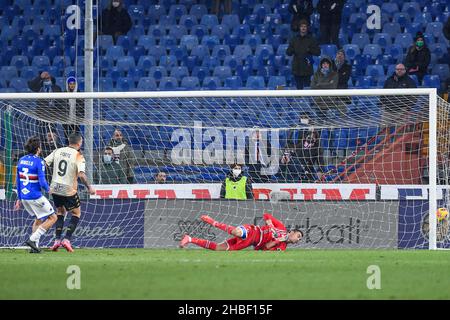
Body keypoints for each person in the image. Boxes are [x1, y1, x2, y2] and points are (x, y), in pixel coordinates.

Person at [45, 132, 95, 252]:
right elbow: (82, 175)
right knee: (76, 213)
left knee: (60, 212)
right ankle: (66, 239)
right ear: (79, 143)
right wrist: (89, 188)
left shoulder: (57, 151)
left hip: (55, 187)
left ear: (69, 141)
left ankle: (57, 240)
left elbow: (44, 163)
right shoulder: (78, 155)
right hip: (68, 189)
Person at [14, 136, 57, 253]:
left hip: (24, 197)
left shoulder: (21, 160)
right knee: (53, 217)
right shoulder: (39, 161)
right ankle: (33, 239)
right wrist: (49, 189)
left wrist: (19, 198)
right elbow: (42, 181)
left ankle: (34, 248)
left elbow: (17, 180)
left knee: (39, 219)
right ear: (38, 149)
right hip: (35, 196)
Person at [180, 212, 303, 251]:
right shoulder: (281, 227)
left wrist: (278, 240)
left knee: (219, 248)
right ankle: (213, 222)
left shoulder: (282, 247)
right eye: (298, 236)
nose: (298, 239)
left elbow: (265, 248)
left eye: (300, 239)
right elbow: (266, 215)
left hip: (250, 242)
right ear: (292, 232)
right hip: (253, 231)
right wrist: (270, 225)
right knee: (236, 232)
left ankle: (189, 239)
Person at [286, 19, 321, 89]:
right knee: (299, 89)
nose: (303, 28)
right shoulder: (294, 39)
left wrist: (309, 50)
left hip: (307, 68)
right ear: (299, 28)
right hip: (297, 68)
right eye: (302, 26)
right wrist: (293, 49)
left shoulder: (311, 39)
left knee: (307, 88)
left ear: (307, 28)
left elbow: (318, 52)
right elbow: (288, 52)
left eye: (305, 26)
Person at [63, 76, 84, 142]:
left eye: (73, 84)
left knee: (76, 136)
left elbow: (81, 107)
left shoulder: (79, 93)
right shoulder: (64, 93)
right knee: (67, 136)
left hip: (76, 119)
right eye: (70, 84)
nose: (72, 85)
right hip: (66, 119)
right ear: (68, 85)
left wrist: (80, 117)